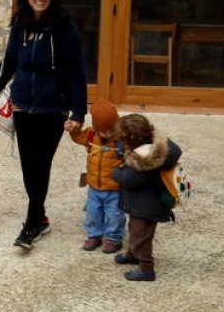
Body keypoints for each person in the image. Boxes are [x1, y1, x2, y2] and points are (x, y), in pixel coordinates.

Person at [0, 0, 88, 250]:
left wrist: (79, 112)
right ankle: (39, 217)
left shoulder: (66, 28)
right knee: (29, 166)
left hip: (53, 109)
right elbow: (9, 61)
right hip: (22, 106)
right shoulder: (21, 24)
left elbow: (77, 72)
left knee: (41, 165)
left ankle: (31, 224)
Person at [111, 113, 182, 282]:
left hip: (145, 206)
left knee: (140, 237)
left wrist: (117, 171)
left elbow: (128, 179)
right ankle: (132, 254)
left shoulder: (144, 161)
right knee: (135, 230)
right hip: (144, 204)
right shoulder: (156, 148)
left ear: (130, 140)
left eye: (123, 140)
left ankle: (146, 268)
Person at [64, 99, 126, 253]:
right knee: (93, 212)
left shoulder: (122, 140)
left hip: (115, 187)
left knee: (115, 214)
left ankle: (113, 238)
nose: (109, 134)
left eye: (113, 130)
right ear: (97, 128)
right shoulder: (91, 134)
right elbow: (78, 137)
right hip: (94, 185)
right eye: (105, 131)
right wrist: (73, 129)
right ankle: (94, 235)